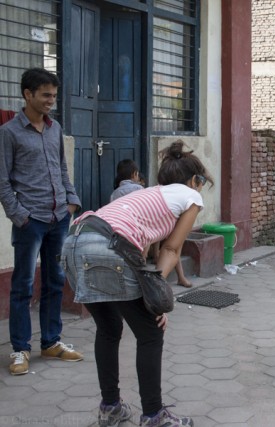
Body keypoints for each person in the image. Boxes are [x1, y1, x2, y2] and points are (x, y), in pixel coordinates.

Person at [61, 140, 212, 426]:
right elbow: (170, 250)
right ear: (194, 180)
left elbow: (138, 250)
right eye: (202, 181)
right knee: (151, 332)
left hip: (75, 241)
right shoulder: (191, 197)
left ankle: (111, 408)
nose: (202, 187)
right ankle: (154, 415)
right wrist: (157, 298)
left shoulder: (148, 196)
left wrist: (148, 294)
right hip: (108, 247)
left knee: (109, 328)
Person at [0, 68, 83, 376]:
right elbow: (3, 181)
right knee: (22, 285)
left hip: (59, 216)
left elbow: (62, 169)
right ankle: (20, 348)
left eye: (54, 96)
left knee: (54, 281)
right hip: (30, 220)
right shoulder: (9, 133)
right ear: (28, 94)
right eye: (46, 95)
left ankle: (51, 342)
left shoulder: (54, 128)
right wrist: (18, 215)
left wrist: (71, 201)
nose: (51, 101)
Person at [110, 159, 193, 288]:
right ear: (135, 174)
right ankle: (176, 277)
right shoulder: (141, 189)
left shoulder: (115, 193)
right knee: (173, 244)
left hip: (121, 232)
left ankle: (151, 263)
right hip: (141, 231)